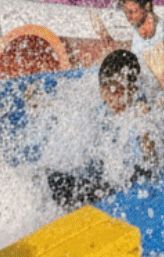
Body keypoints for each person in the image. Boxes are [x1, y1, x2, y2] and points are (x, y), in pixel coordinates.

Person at [45, 49, 156, 210]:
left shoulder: (138, 115)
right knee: (53, 179)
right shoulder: (101, 113)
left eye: (116, 89)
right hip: (103, 180)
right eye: (104, 88)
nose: (110, 96)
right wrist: (42, 103)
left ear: (132, 89)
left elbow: (150, 164)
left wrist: (146, 131)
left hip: (129, 187)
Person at [92, 0, 164, 94]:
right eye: (126, 12)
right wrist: (104, 33)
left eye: (133, 11)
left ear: (147, 7)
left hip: (158, 85)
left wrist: (163, 85)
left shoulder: (160, 32)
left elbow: (163, 72)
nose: (129, 16)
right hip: (145, 81)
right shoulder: (140, 24)